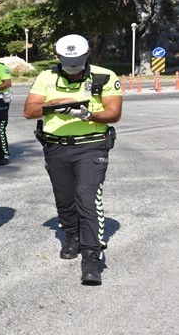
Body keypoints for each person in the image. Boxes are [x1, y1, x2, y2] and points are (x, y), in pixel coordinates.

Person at [23, 34, 122, 286]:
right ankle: (71, 235)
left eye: (77, 59)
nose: (73, 65)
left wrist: (88, 114)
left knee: (87, 198)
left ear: (88, 54)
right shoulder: (47, 77)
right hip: (56, 147)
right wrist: (54, 104)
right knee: (65, 197)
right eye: (68, 60)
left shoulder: (104, 76)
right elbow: (29, 111)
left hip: (91, 146)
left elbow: (114, 113)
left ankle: (91, 255)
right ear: (58, 57)